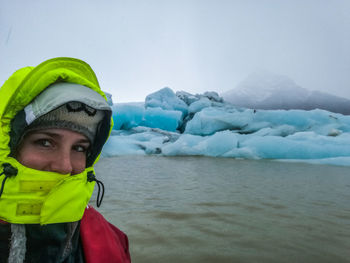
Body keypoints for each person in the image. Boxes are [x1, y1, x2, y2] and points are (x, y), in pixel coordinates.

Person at [0, 57, 131, 262]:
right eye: (45, 142)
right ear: (8, 147)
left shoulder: (113, 241)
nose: (65, 166)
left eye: (79, 148)